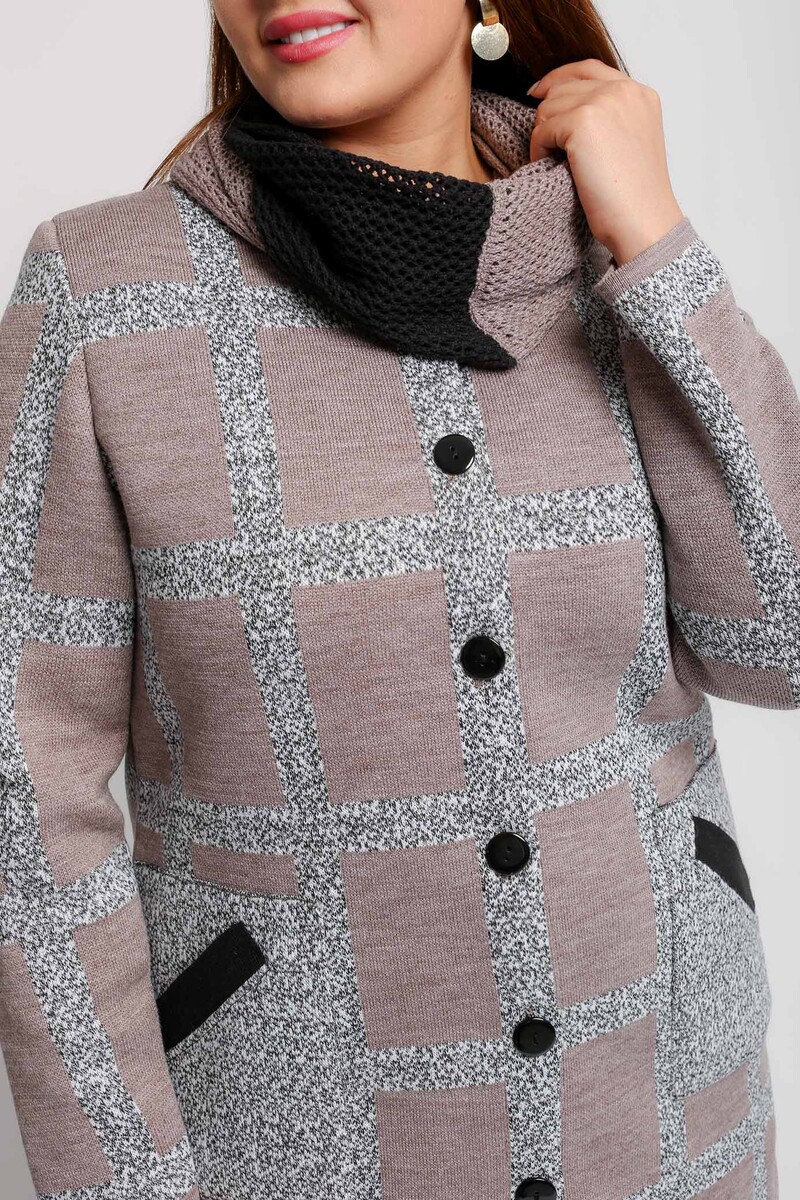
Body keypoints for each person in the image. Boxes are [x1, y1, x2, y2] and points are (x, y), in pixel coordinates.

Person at [0, 1, 796, 1197]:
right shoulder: (101, 294)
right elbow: (26, 799)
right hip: (301, 1147)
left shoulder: (611, 249)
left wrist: (658, 247)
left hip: (666, 1120)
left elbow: (779, 642)